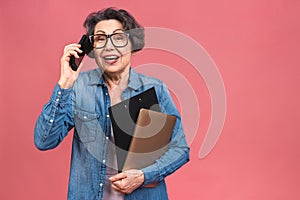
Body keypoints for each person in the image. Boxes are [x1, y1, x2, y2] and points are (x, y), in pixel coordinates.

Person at [34, 7, 189, 200]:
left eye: (118, 38)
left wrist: (143, 176)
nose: (109, 47)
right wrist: (64, 83)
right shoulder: (78, 87)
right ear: (91, 50)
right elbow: (44, 140)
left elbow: (180, 149)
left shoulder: (154, 89)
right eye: (100, 39)